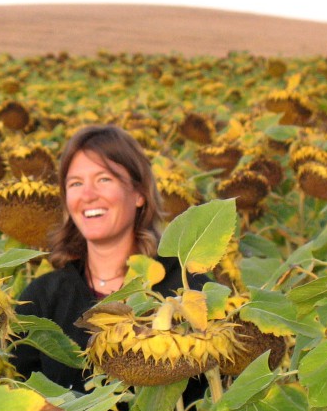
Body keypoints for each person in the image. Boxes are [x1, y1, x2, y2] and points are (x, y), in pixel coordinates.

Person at [11, 124, 208, 392]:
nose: (88, 195)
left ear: (139, 193)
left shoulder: (186, 287)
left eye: (104, 179)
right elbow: (17, 393)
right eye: (76, 183)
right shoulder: (44, 298)